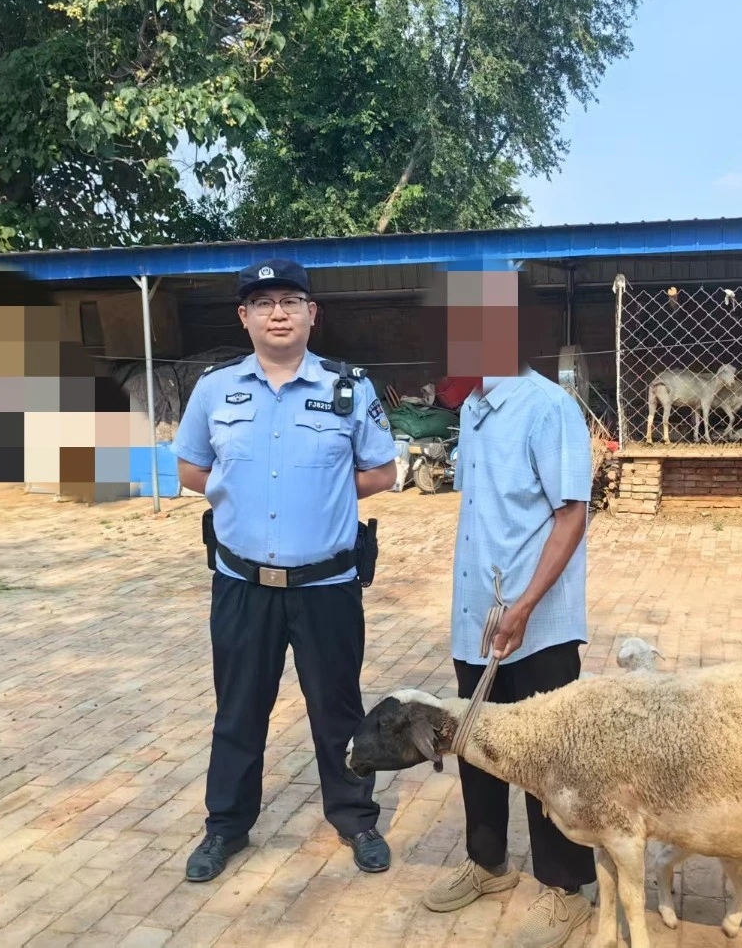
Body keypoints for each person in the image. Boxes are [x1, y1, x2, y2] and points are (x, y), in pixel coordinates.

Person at [171, 257, 397, 883]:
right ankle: (225, 826)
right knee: (238, 712)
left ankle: (355, 818)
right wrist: (241, 493)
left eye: (291, 301)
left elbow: (382, 471)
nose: (279, 313)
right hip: (242, 586)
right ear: (244, 316)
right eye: (264, 303)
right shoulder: (215, 390)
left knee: (338, 711)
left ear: (311, 314)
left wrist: (324, 491)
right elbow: (190, 468)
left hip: (327, 586)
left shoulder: (350, 387)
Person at [422, 297, 596, 948]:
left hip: (537, 621)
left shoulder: (548, 407)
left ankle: (566, 888)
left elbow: (572, 514)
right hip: (477, 615)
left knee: (549, 753)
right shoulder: (473, 407)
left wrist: (523, 605)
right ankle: (488, 863)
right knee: (478, 741)